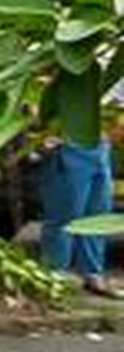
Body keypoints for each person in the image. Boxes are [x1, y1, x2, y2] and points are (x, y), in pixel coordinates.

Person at [37, 122, 115, 297]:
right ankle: (53, 277)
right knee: (64, 216)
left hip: (100, 147)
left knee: (97, 217)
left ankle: (93, 274)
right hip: (68, 146)